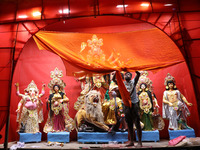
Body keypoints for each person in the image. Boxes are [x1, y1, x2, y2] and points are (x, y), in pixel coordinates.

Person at [43, 68, 74, 133]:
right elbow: (50, 101)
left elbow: (67, 99)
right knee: (54, 118)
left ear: (59, 88)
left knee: (61, 117)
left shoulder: (62, 94)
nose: (56, 88)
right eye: (55, 88)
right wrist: (49, 101)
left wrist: (62, 99)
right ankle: (55, 128)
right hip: (54, 108)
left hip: (60, 108)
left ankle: (62, 128)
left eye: (57, 87)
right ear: (53, 88)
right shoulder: (52, 95)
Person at [123, 71, 142, 147]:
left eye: (128, 74)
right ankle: (131, 141)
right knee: (129, 123)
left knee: (137, 122)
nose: (126, 75)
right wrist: (116, 72)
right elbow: (115, 80)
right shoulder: (123, 84)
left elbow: (138, 74)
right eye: (125, 74)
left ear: (131, 77)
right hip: (126, 105)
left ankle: (139, 142)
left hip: (134, 103)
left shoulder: (133, 81)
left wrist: (133, 68)